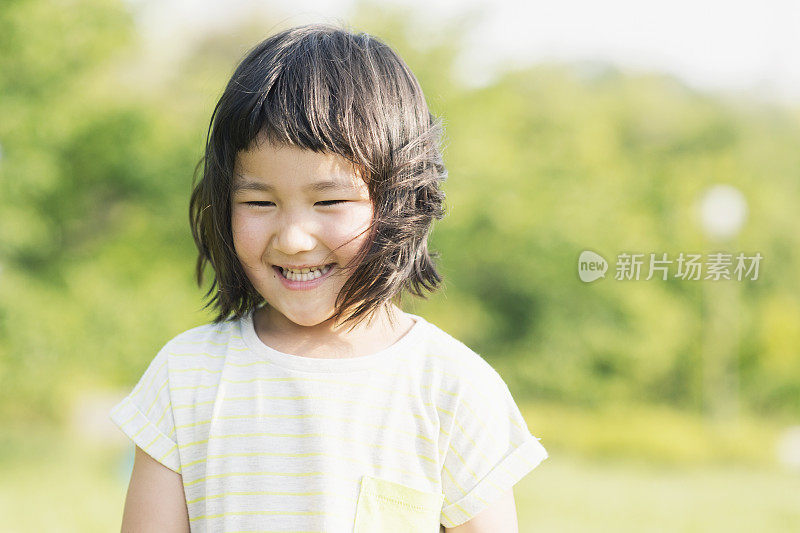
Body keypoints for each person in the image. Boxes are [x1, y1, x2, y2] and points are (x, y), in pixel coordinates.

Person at [109, 22, 548, 533]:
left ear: (399, 199)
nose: (293, 238)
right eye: (259, 202)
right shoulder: (185, 376)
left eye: (330, 201)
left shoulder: (452, 388)